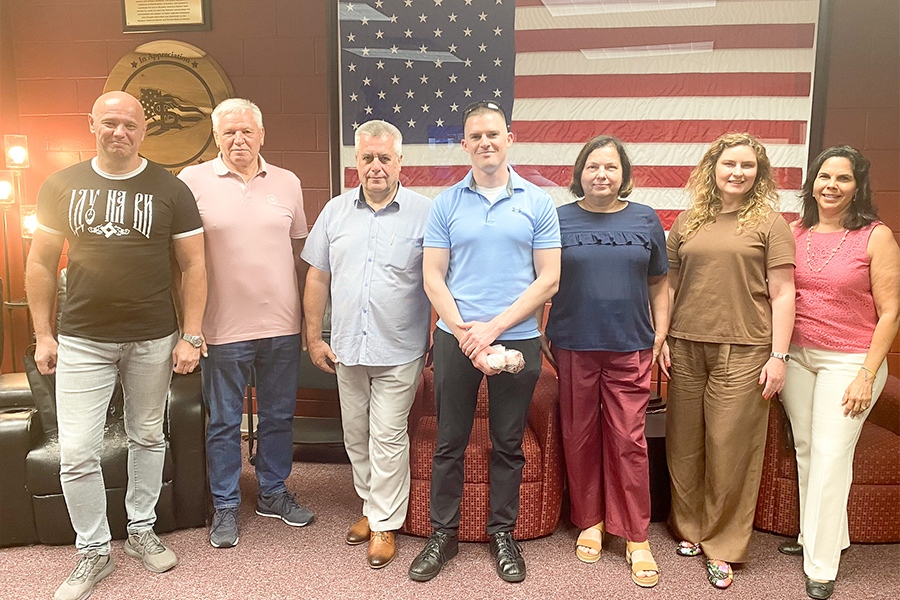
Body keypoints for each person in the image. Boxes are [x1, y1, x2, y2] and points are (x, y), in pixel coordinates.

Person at [26, 91, 206, 600]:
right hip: (82, 338)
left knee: (147, 436)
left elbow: (194, 266)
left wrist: (191, 334)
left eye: (129, 124)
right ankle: (93, 550)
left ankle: (141, 530)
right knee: (77, 451)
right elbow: (40, 263)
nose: (119, 132)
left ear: (144, 129)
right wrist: (43, 333)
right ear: (92, 125)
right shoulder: (61, 185)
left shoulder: (170, 188)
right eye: (109, 123)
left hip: (154, 336)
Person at [408, 101, 561, 584]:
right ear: (465, 145)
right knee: (449, 443)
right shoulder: (446, 203)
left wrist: (491, 330)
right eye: (475, 136)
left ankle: (502, 534)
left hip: (518, 341)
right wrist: (467, 335)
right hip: (456, 340)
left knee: (507, 443)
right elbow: (433, 277)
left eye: (493, 134)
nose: (485, 143)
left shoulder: (537, 202)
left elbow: (549, 280)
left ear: (509, 138)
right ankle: (443, 535)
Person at [178, 98, 313, 549]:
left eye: (247, 131)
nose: (239, 140)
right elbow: (183, 262)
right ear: (216, 137)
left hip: (281, 326)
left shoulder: (288, 183)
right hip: (221, 328)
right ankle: (226, 504)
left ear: (262, 135)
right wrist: (189, 330)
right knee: (223, 422)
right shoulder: (192, 181)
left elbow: (301, 258)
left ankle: (273, 492)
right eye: (229, 132)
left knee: (278, 416)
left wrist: (309, 322)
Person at [663, 132, 795, 589]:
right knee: (683, 443)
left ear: (759, 174)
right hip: (684, 344)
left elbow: (782, 293)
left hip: (744, 349)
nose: (737, 172)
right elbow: (669, 286)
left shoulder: (769, 223)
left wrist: (779, 356)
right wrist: (661, 336)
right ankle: (690, 528)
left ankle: (723, 545)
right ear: (712, 168)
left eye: (747, 166)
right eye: (729, 164)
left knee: (729, 446)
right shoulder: (688, 220)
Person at [302, 120, 431, 569]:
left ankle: (384, 525)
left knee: (388, 435)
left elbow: (439, 279)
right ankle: (370, 506)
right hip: (347, 348)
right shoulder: (334, 212)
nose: (376, 166)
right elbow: (318, 276)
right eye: (367, 158)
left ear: (400, 161)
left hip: (400, 348)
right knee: (356, 435)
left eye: (384, 158)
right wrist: (314, 336)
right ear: (355, 162)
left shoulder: (426, 213)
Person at [543, 135, 668, 587]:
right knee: (579, 435)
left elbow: (659, 283)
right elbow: (542, 278)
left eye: (611, 168)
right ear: (580, 173)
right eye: (593, 167)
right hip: (573, 343)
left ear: (624, 175)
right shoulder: (558, 220)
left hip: (631, 344)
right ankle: (590, 520)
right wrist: (542, 329)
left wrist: (662, 333)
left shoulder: (646, 219)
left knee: (628, 439)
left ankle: (635, 535)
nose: (602, 175)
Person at [778, 146, 900, 600]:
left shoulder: (876, 236)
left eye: (842, 178)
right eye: (824, 176)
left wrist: (867, 374)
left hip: (849, 361)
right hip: (797, 356)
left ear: (857, 186)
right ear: (813, 182)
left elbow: (890, 313)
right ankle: (821, 536)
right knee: (809, 449)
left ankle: (822, 564)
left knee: (832, 454)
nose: (831, 185)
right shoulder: (794, 231)